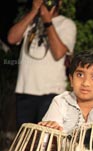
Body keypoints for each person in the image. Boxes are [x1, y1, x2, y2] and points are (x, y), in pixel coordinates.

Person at [7, 0, 77, 129]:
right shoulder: (31, 22)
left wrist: (47, 21)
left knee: (46, 140)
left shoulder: (66, 24)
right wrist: (34, 11)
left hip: (51, 93)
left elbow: (59, 53)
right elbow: (12, 38)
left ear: (59, 3)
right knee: (25, 140)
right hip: (25, 90)